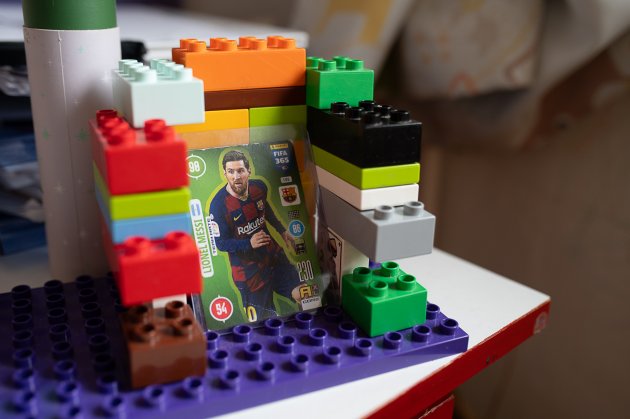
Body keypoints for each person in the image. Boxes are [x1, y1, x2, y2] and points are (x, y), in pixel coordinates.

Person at [210, 150, 302, 321]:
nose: (236, 177)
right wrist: (248, 243)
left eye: (240, 171)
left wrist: (282, 230)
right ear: (225, 174)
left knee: (303, 294)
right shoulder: (218, 205)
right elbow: (221, 243)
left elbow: (265, 210)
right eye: (231, 171)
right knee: (265, 322)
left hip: (274, 256)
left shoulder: (259, 187)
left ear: (248, 171)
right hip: (249, 273)